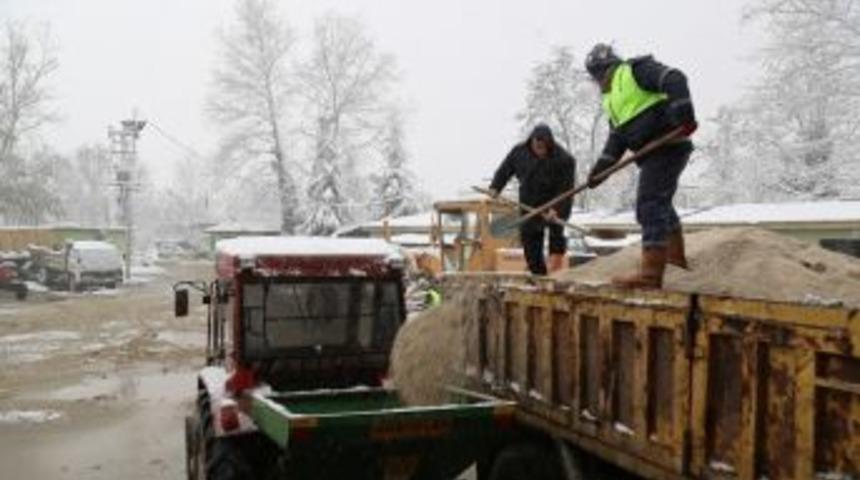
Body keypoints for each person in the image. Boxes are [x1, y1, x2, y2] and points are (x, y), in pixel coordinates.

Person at [585, 43, 697, 289]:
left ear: (602, 71)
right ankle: (676, 261)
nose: (597, 83)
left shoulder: (635, 70)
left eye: (596, 77)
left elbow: (674, 78)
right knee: (660, 203)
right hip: (652, 153)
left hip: (667, 144)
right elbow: (617, 139)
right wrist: (599, 171)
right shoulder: (611, 100)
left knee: (649, 204)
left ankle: (650, 276)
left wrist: (683, 113)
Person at [488, 124, 576, 275]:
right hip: (529, 201)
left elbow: (566, 190)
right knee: (530, 243)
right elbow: (504, 170)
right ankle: (539, 276)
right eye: (538, 147)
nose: (541, 150)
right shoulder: (519, 152)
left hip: (555, 201)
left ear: (550, 144)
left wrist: (556, 210)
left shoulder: (564, 159)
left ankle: (555, 272)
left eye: (544, 147)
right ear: (532, 142)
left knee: (556, 234)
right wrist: (496, 187)